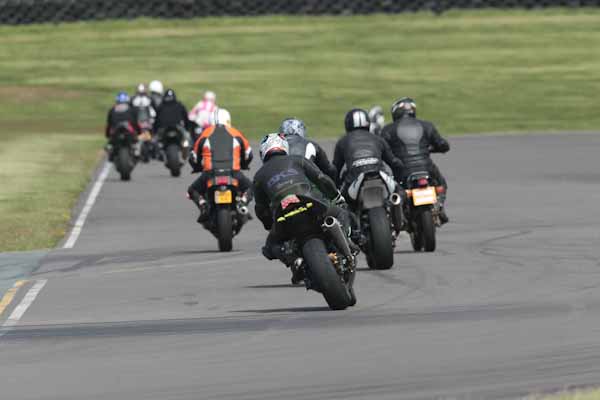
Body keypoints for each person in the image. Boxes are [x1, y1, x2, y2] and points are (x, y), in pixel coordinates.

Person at [253, 133, 353, 281]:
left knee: (269, 248)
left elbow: (260, 209)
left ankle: (293, 258)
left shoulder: (258, 176)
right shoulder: (298, 159)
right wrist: (337, 197)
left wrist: (269, 224)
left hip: (283, 213)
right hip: (310, 202)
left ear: (263, 152)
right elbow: (322, 179)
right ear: (284, 147)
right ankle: (346, 243)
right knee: (341, 213)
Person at [381, 97, 450, 223]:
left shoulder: (388, 129)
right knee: (441, 184)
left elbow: (380, 149)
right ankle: (440, 205)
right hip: (426, 167)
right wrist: (432, 149)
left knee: (392, 189)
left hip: (403, 170)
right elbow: (443, 145)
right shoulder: (427, 126)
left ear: (396, 113)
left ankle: (398, 214)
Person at [188, 108, 253, 222]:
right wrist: (244, 164)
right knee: (252, 187)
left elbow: (193, 156)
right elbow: (248, 153)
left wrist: (197, 167)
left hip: (210, 173)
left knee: (192, 190)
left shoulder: (205, 134)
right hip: (233, 172)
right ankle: (242, 203)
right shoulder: (235, 133)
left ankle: (203, 206)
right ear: (228, 120)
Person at [333, 108, 404, 202]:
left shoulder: (342, 141)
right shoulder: (378, 139)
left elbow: (335, 169)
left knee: (342, 204)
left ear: (347, 124)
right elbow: (395, 163)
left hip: (355, 181)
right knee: (401, 195)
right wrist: (399, 181)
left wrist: (336, 186)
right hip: (379, 176)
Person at [105, 92, 139, 157]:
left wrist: (107, 134)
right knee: (135, 140)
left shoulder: (112, 109)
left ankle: (135, 148)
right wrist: (138, 132)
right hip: (123, 130)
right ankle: (135, 148)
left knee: (110, 142)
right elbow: (135, 122)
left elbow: (109, 124)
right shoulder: (132, 109)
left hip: (121, 130)